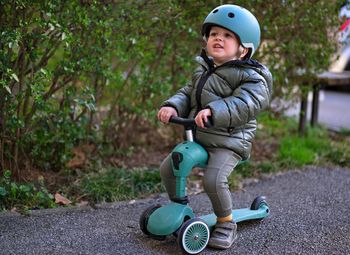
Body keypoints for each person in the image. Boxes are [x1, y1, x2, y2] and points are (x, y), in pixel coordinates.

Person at [157, 4, 273, 250]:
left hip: (230, 141)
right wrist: (173, 106)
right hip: (201, 138)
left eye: (228, 35)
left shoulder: (252, 78)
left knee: (214, 179)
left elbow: (245, 103)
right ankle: (180, 207)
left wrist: (214, 110)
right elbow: (187, 93)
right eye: (213, 34)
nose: (218, 38)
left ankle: (226, 223)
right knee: (171, 166)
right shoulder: (203, 68)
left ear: (244, 49)